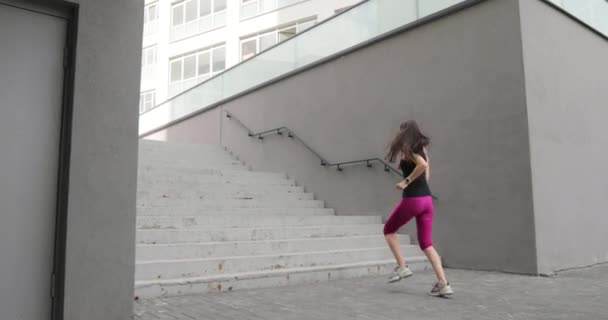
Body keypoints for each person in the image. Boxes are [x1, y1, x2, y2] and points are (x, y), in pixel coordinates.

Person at [383, 120, 453, 297]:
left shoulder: (409, 150)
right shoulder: (423, 150)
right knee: (426, 244)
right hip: (427, 200)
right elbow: (426, 174)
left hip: (413, 200)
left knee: (388, 230)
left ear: (405, 133)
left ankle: (402, 267)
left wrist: (406, 182)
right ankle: (443, 283)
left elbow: (422, 165)